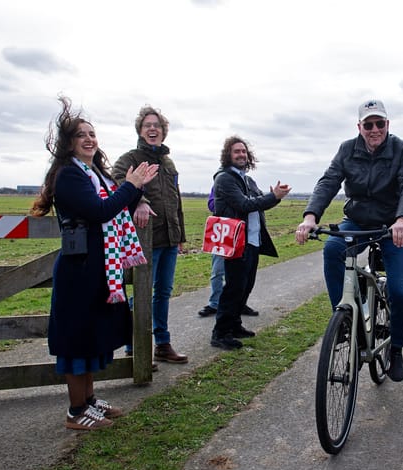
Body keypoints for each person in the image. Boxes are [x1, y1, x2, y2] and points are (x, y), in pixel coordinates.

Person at [32, 97, 158, 430]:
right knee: (77, 340)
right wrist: (130, 186)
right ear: (68, 143)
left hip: (99, 267)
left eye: (92, 133)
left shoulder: (95, 174)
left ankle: (88, 401)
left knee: (90, 337)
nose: (89, 139)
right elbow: (99, 212)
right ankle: (76, 412)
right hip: (80, 270)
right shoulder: (69, 176)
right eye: (81, 135)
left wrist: (134, 190)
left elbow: (116, 209)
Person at [296, 99, 403, 382]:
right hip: (357, 220)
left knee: (400, 292)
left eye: (379, 123)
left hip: (391, 226)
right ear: (359, 127)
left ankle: (396, 348)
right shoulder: (347, 149)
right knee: (332, 249)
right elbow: (329, 181)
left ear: (387, 124)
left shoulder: (402, 149)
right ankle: (344, 318)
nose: (374, 129)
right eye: (368, 124)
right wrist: (310, 216)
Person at [113, 106, 189, 364]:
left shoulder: (168, 163)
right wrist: (139, 201)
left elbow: (176, 200)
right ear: (140, 130)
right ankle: (133, 345)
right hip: (144, 240)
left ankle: (163, 344)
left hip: (169, 239)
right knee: (141, 292)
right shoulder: (130, 158)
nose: (153, 129)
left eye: (157, 125)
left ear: (163, 131)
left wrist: (180, 235)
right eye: (147, 125)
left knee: (163, 292)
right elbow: (116, 180)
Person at [210, 136, 290, 349]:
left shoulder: (248, 180)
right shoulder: (224, 179)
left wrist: (275, 197)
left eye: (244, 151)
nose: (241, 155)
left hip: (252, 240)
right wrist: (273, 196)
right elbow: (244, 204)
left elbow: (259, 203)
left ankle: (235, 325)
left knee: (246, 286)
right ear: (228, 155)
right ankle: (220, 333)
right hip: (236, 241)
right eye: (236, 151)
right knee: (234, 287)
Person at [197, 184, 259, 318]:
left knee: (243, 274)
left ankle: (240, 304)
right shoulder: (222, 182)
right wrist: (235, 202)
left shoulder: (250, 183)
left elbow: (257, 202)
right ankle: (214, 304)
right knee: (217, 271)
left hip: (243, 234)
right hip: (224, 232)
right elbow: (212, 205)